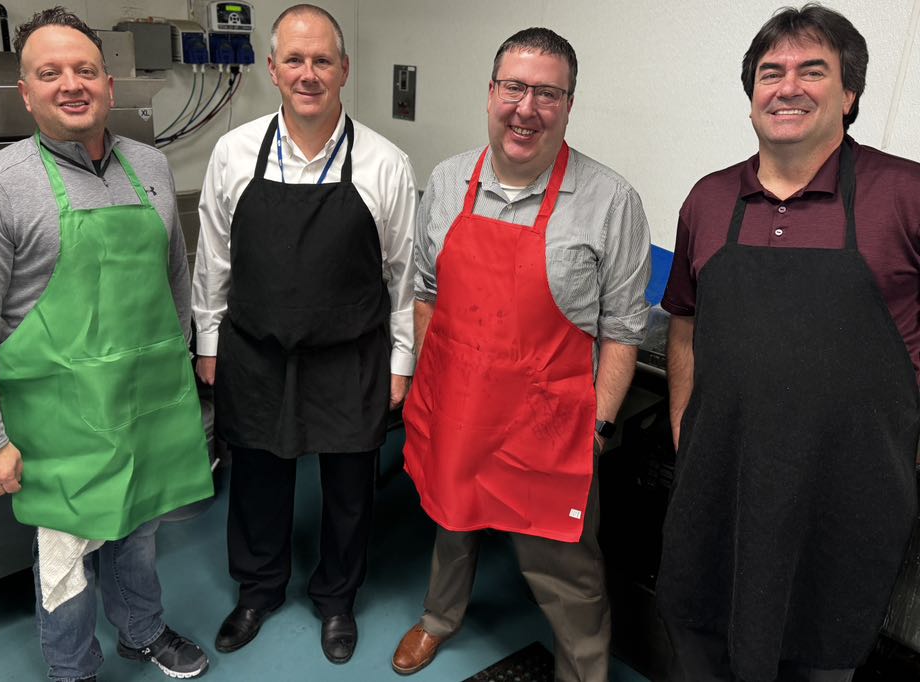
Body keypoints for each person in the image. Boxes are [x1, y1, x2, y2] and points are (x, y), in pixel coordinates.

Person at [658, 4, 920, 682]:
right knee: (700, 646)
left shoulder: (905, 195)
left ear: (850, 93)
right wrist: (687, 426)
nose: (788, 87)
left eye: (813, 71)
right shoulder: (709, 200)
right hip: (719, 490)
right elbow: (683, 323)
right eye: (770, 73)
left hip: (845, 503)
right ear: (751, 99)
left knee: (817, 659)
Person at [0, 7, 214, 681]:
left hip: (143, 403)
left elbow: (174, 281)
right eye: (50, 73)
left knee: (138, 531)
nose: (70, 84)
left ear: (106, 82)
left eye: (84, 70)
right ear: (26, 91)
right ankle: (73, 667)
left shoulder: (151, 166)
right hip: (59, 420)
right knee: (65, 557)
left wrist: (179, 381)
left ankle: (142, 629)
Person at [393, 27, 651, 682]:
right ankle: (438, 620)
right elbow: (426, 293)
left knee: (565, 569)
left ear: (568, 104)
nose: (526, 108)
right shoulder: (449, 182)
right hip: (458, 410)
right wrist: (430, 385)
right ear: (490, 93)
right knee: (451, 527)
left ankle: (584, 668)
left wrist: (596, 425)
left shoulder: (610, 201)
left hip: (545, 428)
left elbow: (623, 328)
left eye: (546, 93)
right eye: (514, 87)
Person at [192, 3, 416, 664]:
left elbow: (402, 276)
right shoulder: (234, 153)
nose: (309, 73)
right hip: (256, 352)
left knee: (350, 489)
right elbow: (214, 262)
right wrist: (209, 344)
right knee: (257, 479)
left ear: (344, 69)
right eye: (295, 59)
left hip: (350, 355)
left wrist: (402, 360)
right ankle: (258, 590)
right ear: (272, 69)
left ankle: (337, 599)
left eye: (322, 60)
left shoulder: (384, 162)